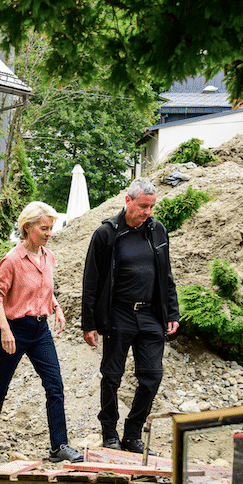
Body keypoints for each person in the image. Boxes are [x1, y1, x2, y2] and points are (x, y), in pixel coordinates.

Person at [0, 201, 84, 463]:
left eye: (51, 228)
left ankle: (59, 446)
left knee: (55, 385)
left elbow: (45, 290)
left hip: (40, 330)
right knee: (0, 384)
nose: (49, 233)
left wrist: (56, 307)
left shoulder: (49, 257)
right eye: (44, 228)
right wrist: (4, 330)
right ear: (28, 228)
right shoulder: (12, 259)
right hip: (14, 329)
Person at [81, 177, 180, 453]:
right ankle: (110, 433)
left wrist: (172, 312)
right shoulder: (107, 233)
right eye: (143, 206)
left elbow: (166, 276)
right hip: (118, 314)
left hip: (150, 315)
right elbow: (91, 279)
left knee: (152, 376)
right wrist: (89, 323)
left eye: (151, 207)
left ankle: (133, 434)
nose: (147, 212)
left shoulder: (157, 231)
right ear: (128, 201)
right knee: (112, 376)